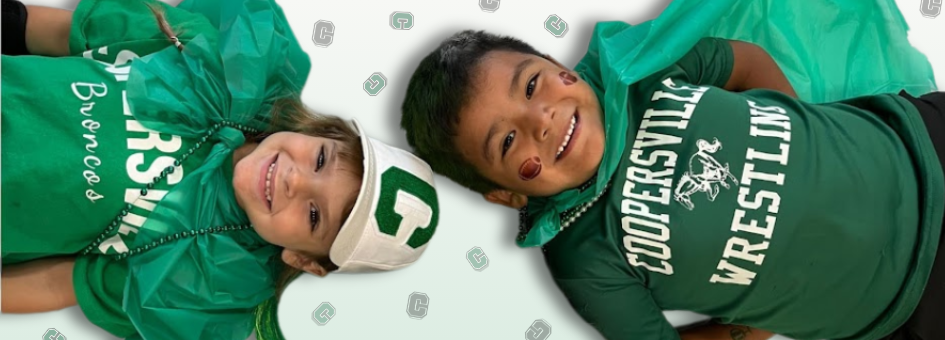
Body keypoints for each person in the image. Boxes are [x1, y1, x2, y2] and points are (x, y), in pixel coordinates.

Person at [399, 20, 945, 340]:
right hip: (910, 302)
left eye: (533, 83)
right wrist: (749, 327)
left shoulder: (640, 69)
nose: (540, 118)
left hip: (918, 140)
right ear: (506, 193)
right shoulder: (585, 259)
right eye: (508, 143)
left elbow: (743, 63)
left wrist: (806, 137)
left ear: (553, 63)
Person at [0, 1, 442, 340]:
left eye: (314, 216)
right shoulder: (224, 68)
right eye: (321, 160)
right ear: (325, 130)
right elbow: (64, 34)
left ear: (303, 259)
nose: (295, 180)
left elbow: (60, 285)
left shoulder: (202, 276)